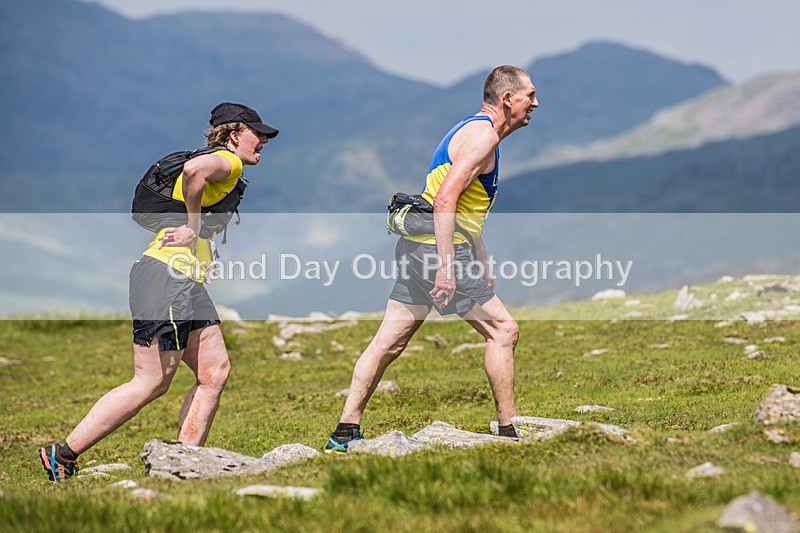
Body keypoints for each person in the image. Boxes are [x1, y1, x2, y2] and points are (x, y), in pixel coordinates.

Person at [39, 103, 278, 482]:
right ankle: (63, 454)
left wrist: (202, 249)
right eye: (257, 133)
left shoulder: (221, 162)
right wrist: (195, 227)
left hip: (182, 280)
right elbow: (193, 171)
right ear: (234, 135)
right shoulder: (225, 161)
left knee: (214, 372)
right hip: (166, 281)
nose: (263, 140)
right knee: (151, 381)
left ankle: (185, 465)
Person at [325, 66, 539, 452]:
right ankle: (509, 433)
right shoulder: (482, 137)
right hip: (437, 251)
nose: (535, 103)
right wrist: (446, 265)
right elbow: (444, 201)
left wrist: (482, 260)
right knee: (503, 330)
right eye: (530, 95)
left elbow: (463, 207)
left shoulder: (472, 130)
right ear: (508, 99)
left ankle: (344, 432)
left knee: (388, 343)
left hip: (420, 247)